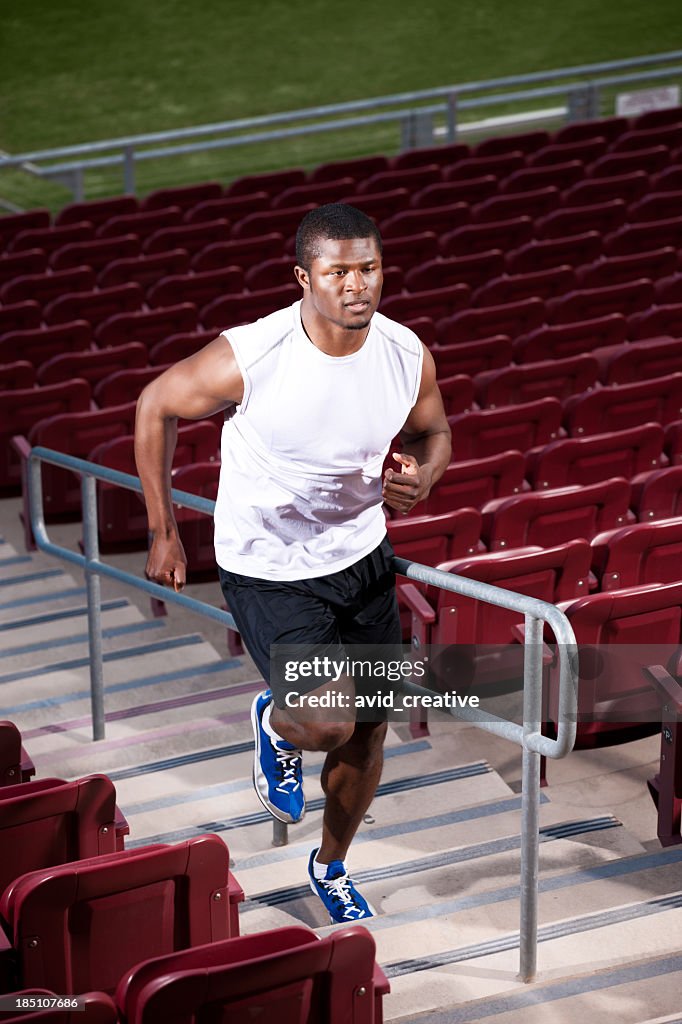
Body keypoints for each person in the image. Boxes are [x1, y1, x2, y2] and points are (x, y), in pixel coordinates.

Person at [135, 202, 451, 924]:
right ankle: (278, 724)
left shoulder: (406, 351)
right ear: (304, 276)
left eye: (367, 268)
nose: (355, 285)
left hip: (364, 558)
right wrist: (164, 530)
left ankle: (330, 865)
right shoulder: (252, 356)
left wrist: (423, 477)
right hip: (270, 565)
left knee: (371, 727)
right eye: (338, 271)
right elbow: (156, 405)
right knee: (325, 722)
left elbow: (436, 432)